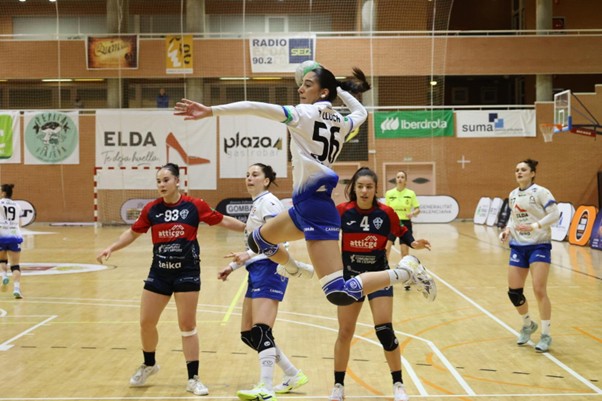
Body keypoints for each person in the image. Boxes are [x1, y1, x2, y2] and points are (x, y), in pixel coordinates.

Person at [174, 63, 436, 307]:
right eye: (302, 84)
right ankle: (294, 267)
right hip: (305, 206)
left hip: (316, 210)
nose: (300, 88)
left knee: (339, 293)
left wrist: (211, 111)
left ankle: (406, 271)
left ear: (323, 92)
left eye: (308, 84)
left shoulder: (302, 114)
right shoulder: (342, 123)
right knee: (257, 240)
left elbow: (254, 106)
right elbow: (361, 113)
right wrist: (339, 89)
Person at [96, 163, 246, 396]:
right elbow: (133, 232)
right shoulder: (152, 209)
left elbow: (222, 220)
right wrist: (111, 247)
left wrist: (250, 229)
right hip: (159, 273)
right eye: (158, 181)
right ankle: (149, 364)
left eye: (166, 180)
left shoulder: (194, 205)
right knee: (146, 322)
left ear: (177, 181)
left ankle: (193, 378)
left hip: (187, 272)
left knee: (187, 325)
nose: (161, 185)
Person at [332, 167, 431, 401]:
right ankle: (338, 386)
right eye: (360, 186)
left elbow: (402, 231)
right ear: (354, 188)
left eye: (369, 187)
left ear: (376, 189)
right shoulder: (342, 211)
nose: (364, 191)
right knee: (345, 332)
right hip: (351, 279)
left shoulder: (386, 213)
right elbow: (324, 233)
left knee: (385, 331)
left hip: (379, 277)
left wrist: (413, 243)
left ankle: (398, 384)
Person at [217, 163, 310, 401]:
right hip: (257, 269)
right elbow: (256, 244)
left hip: (271, 268)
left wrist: (247, 255)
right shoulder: (257, 204)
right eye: (247, 174)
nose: (249, 178)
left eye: (255, 175)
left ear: (266, 180)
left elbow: (277, 240)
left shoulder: (269, 203)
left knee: (261, 330)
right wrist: (233, 266)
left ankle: (266, 388)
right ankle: (292, 374)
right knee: (249, 334)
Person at [499, 158, 560, 353]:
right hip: (518, 247)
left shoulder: (541, 192)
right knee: (514, 293)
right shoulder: (513, 194)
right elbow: (513, 217)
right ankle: (527, 325)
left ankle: (546, 334)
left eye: (523, 170)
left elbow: (555, 214)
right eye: (517, 170)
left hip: (539, 245)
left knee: (539, 290)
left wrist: (535, 226)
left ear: (532, 173)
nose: (519, 172)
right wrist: (507, 230)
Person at [385, 170, 420, 259]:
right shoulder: (389, 193)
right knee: (386, 249)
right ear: (396, 180)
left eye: (402, 177)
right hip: (392, 223)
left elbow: (417, 209)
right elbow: (386, 209)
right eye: (398, 177)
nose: (400, 179)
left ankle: (404, 267)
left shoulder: (411, 193)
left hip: (405, 223)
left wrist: (412, 213)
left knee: (404, 252)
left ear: (406, 181)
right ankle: (384, 266)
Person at [0, 184, 24, 299]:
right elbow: (20, 224)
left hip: (1, 235)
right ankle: (16, 289)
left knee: (2, 260)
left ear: (4, 193)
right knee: (15, 265)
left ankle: (4, 275)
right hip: (14, 236)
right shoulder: (17, 205)